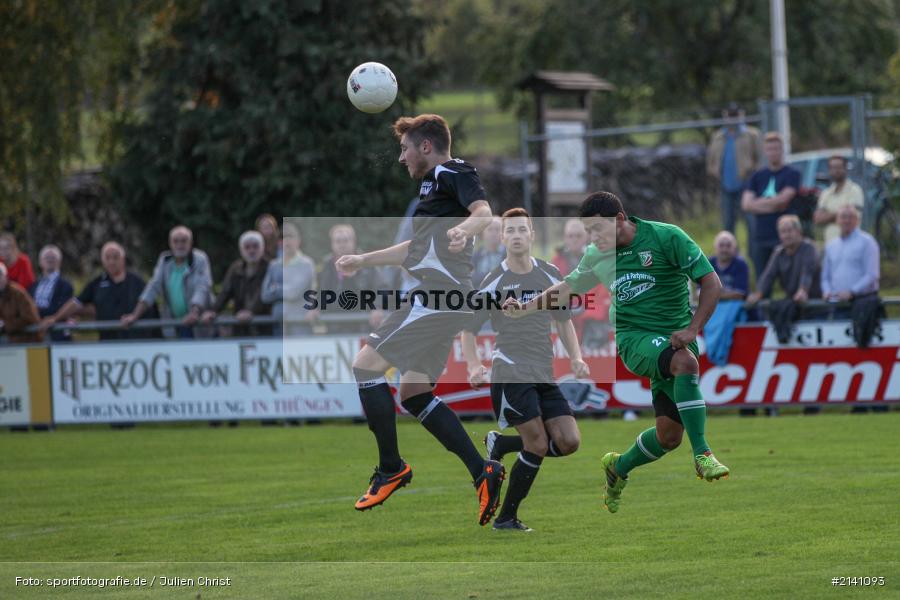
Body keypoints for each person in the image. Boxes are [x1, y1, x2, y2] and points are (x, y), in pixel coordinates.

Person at [503, 191, 729, 514]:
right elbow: (566, 289)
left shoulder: (667, 237)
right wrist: (523, 308)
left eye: (597, 230)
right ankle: (703, 454)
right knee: (685, 363)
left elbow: (711, 283)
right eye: (588, 232)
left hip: (676, 338)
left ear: (620, 220)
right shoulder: (597, 255)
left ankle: (618, 467)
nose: (592, 239)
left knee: (668, 437)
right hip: (634, 339)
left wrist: (693, 329)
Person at [336, 113, 504, 525]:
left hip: (436, 298)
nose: (401, 157)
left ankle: (391, 466)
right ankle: (482, 471)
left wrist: (466, 229)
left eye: (405, 148)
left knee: (365, 367)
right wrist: (364, 259)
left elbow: (484, 212)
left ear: (425, 147)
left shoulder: (453, 170)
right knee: (412, 392)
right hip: (443, 298)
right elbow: (416, 248)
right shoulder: (434, 188)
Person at [460, 208, 586, 532]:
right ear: (502, 238)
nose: (516, 235)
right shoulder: (494, 280)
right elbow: (468, 329)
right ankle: (506, 518)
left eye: (522, 230)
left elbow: (564, 321)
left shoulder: (548, 273)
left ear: (532, 235)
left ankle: (500, 445)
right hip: (511, 370)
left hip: (542, 371)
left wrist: (576, 357)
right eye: (510, 231)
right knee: (538, 444)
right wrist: (474, 365)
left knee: (569, 441)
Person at [39, 242, 151, 340]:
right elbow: (76, 302)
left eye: (115, 257)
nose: (111, 261)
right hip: (107, 342)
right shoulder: (97, 283)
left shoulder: (136, 282)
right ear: (103, 260)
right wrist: (55, 318)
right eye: (107, 258)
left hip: (135, 341)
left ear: (123, 259)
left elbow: (149, 303)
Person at [121, 226, 213, 338]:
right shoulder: (165, 260)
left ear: (191, 243)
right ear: (170, 243)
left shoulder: (199, 259)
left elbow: (202, 287)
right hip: (175, 325)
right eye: (176, 241)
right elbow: (153, 286)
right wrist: (135, 315)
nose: (180, 245)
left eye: (184, 241)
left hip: (198, 323)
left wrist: (194, 312)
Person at [741, 132, 801, 278]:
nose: (773, 152)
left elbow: (784, 200)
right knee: (762, 281)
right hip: (760, 237)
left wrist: (758, 203)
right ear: (765, 151)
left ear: (782, 150)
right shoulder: (757, 176)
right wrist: (772, 205)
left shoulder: (792, 174)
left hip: (784, 238)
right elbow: (746, 205)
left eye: (776, 149)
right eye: (770, 149)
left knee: (789, 280)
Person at [746, 215, 821, 315]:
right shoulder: (779, 252)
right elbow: (769, 276)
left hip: (815, 303)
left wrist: (803, 290)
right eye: (783, 232)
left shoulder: (809, 248)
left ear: (799, 231)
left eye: (789, 231)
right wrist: (758, 294)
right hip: (794, 303)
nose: (786, 235)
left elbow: (807, 272)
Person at [706, 103, 763, 234]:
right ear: (724, 116)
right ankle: (730, 254)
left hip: (746, 187)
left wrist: (751, 175)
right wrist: (714, 173)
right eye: (730, 115)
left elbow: (759, 159)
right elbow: (710, 160)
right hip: (725, 186)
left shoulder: (751, 135)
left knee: (751, 224)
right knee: (727, 225)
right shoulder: (718, 136)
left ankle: (753, 254)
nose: (733, 118)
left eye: (736, 115)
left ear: (741, 115)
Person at [317, 224, 386, 331]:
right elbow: (321, 291)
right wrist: (316, 307)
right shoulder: (327, 265)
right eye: (338, 241)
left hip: (363, 324)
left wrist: (377, 308)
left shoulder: (367, 263)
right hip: (335, 325)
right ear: (332, 244)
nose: (342, 244)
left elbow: (382, 288)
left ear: (354, 241)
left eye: (345, 240)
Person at [201, 231, 271, 336]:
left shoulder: (271, 267)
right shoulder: (236, 268)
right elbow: (225, 292)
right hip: (240, 325)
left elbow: (266, 294)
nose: (251, 251)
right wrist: (213, 311)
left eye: (255, 247)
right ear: (241, 250)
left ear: (262, 248)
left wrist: (251, 312)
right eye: (247, 247)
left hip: (265, 325)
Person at [821, 205, 879, 319]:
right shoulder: (831, 246)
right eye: (843, 217)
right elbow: (825, 277)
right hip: (838, 305)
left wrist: (851, 292)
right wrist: (827, 291)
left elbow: (872, 274)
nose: (846, 220)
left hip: (864, 303)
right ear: (837, 220)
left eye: (851, 217)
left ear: (857, 220)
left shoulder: (867, 242)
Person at [261, 221, 317, 336]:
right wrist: (287, 289)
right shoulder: (274, 265)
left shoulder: (306, 264)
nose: (287, 241)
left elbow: (294, 292)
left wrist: (276, 289)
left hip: (300, 324)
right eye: (283, 238)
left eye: (290, 236)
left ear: (298, 240)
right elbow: (265, 295)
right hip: (278, 325)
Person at [813, 156, 865, 246]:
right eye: (833, 168)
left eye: (839, 167)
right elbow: (818, 219)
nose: (836, 171)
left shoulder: (855, 190)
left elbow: (853, 218)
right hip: (830, 246)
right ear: (829, 170)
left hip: (851, 244)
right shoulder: (826, 193)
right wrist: (841, 214)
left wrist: (828, 215)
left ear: (845, 169)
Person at [28, 245, 74, 342]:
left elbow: (62, 308)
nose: (50, 260)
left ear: (59, 262)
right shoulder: (33, 286)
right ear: (40, 262)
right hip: (35, 334)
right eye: (47, 257)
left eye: (53, 257)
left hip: (56, 334)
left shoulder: (65, 285)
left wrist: (39, 315)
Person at [0, 262, 41, 343]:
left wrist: (5, 325)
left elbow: (30, 318)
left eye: (0, 275)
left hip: (24, 341)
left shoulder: (18, 293)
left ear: (5, 276)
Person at [709, 231, 750, 301]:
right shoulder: (709, 263)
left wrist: (712, 294)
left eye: (728, 246)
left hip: (735, 306)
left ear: (734, 248)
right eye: (721, 245)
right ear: (715, 247)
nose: (724, 249)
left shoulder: (740, 264)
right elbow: (699, 292)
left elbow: (740, 294)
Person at [471, 216, 504, 286]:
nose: (493, 233)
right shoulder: (475, 256)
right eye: (490, 229)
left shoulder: (509, 255)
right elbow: (471, 278)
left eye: (497, 230)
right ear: (483, 233)